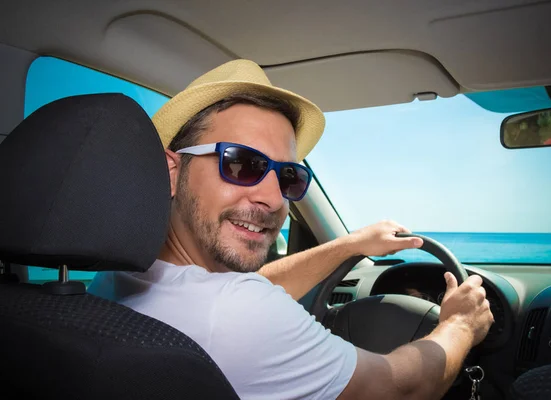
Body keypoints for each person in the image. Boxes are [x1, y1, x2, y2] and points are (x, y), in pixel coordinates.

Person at [89, 59, 494, 399]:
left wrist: (350, 245)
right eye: (242, 164)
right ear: (172, 171)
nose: (274, 198)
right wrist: (459, 324)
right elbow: (401, 388)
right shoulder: (240, 316)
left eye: (288, 176)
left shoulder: (117, 276)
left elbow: (238, 292)